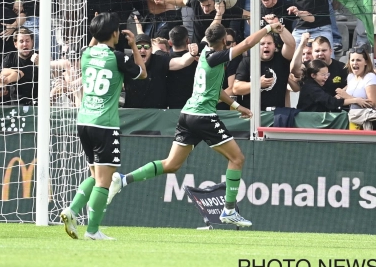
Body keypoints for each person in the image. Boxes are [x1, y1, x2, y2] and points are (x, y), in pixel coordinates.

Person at [109, 19, 287, 228]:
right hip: (203, 117)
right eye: (228, 43)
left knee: (171, 164)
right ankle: (229, 210)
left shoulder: (203, 53)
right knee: (237, 158)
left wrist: (237, 107)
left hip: (188, 115)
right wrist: (268, 28)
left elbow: (216, 90)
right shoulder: (216, 56)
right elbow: (248, 43)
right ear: (223, 42)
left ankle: (123, 179)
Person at [59, 13, 146, 240]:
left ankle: (72, 210)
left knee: (95, 174)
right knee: (104, 180)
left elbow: (92, 47)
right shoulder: (118, 57)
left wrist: (97, 31)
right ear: (116, 33)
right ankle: (93, 230)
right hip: (105, 124)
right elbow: (142, 72)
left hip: (84, 121)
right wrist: (134, 46)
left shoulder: (86, 54)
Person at [233, 15, 296, 110]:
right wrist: (257, 83)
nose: (266, 46)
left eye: (269, 43)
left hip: (276, 114)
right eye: (262, 44)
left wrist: (279, 27)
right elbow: (236, 89)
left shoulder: (281, 59)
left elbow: (291, 44)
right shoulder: (247, 61)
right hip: (252, 113)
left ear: (274, 46)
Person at [297, 59, 371, 112]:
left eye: (327, 74)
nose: (326, 77)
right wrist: (355, 100)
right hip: (308, 119)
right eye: (323, 75)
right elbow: (331, 102)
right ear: (313, 75)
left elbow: (328, 100)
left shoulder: (315, 85)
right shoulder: (311, 87)